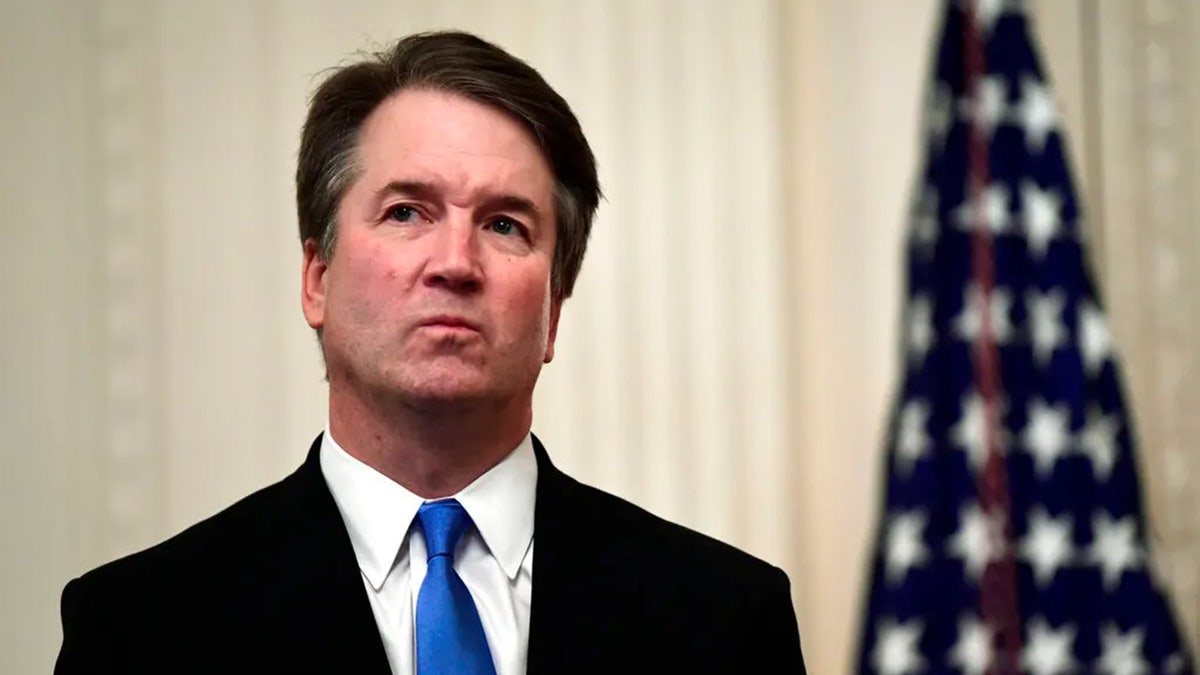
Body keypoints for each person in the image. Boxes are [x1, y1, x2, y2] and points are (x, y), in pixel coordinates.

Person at [54, 30, 806, 674]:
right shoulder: (137, 627)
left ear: (553, 312)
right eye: (407, 211)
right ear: (317, 278)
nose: (455, 261)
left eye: (506, 224)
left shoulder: (725, 620)